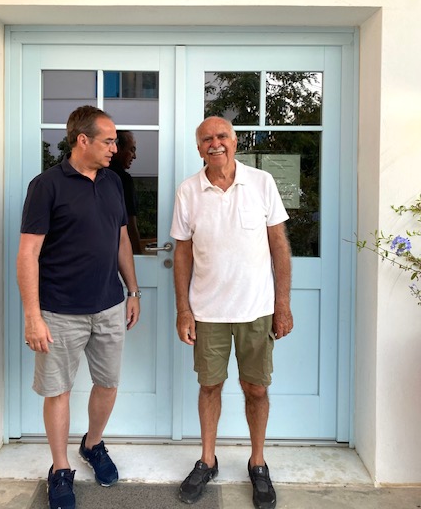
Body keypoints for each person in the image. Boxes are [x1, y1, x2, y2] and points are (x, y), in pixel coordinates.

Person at [17, 105, 141, 509]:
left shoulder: (113, 182)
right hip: (58, 311)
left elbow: (121, 239)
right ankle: (60, 468)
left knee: (108, 384)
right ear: (82, 140)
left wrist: (133, 291)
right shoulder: (47, 186)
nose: (115, 148)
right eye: (108, 141)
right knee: (58, 392)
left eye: (116, 141)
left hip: (108, 306)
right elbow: (28, 254)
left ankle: (92, 444)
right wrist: (33, 317)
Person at [170, 116, 293, 509]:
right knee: (210, 386)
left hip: (257, 309)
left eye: (222, 136)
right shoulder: (188, 191)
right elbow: (182, 253)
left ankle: (257, 463)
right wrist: (183, 310)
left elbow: (279, 245)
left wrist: (282, 304)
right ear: (199, 148)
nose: (215, 143)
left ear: (235, 142)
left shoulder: (261, 182)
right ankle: (207, 460)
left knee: (256, 388)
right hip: (208, 311)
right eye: (207, 138)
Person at [109, 130, 143, 254]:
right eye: (132, 150)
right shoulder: (123, 180)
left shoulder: (97, 175)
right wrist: (138, 256)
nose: (134, 156)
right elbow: (130, 225)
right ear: (117, 148)